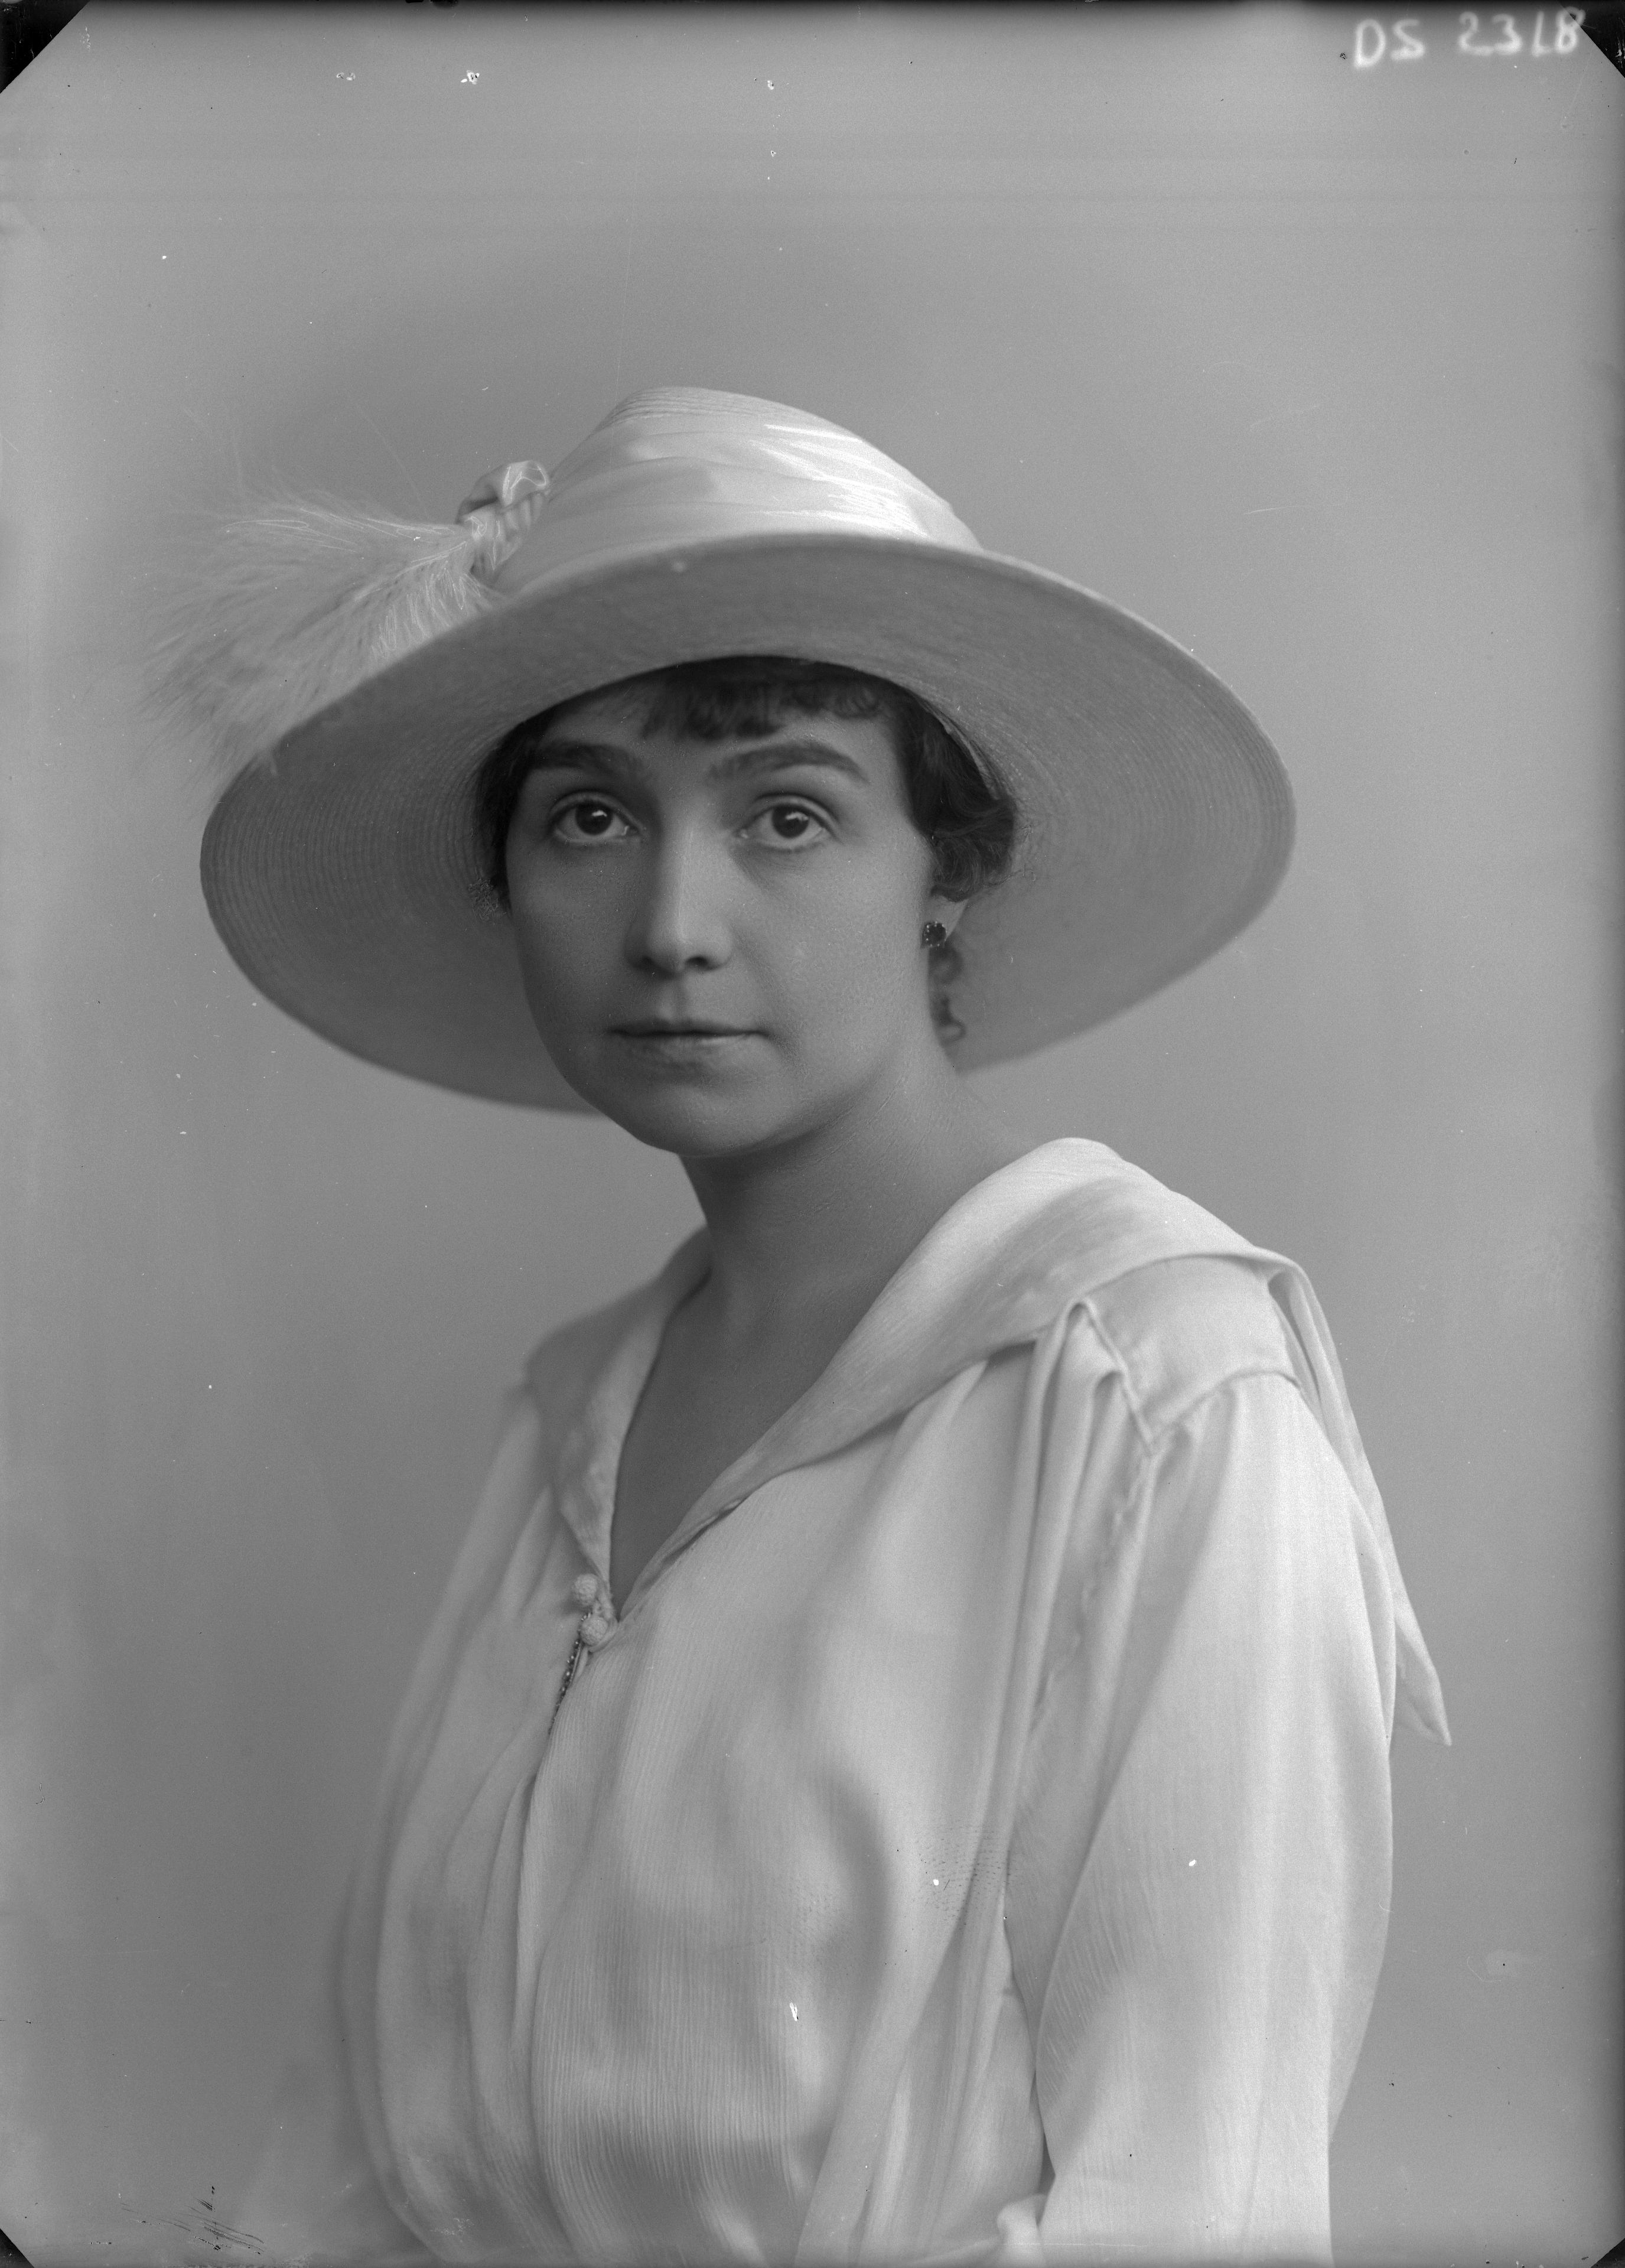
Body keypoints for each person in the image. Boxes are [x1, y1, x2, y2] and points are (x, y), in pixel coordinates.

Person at [165, 388, 1448, 2265]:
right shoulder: (575, 1413)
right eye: (589, 817)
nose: (673, 923)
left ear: (950, 873)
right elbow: (340, 2184)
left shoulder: (1160, 1399)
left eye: (788, 814)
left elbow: (1193, 2213)